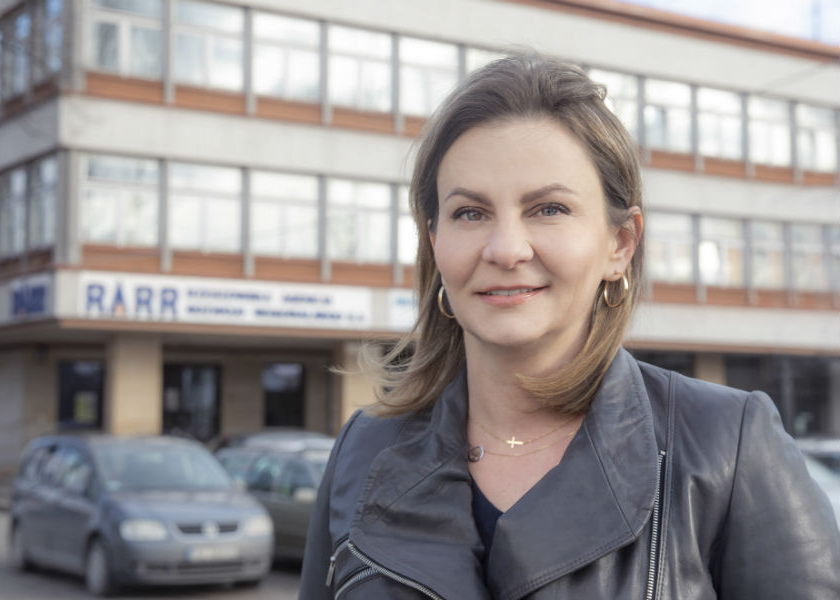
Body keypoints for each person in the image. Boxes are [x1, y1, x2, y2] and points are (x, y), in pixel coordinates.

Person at [299, 53, 840, 599]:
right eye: (470, 213)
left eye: (549, 209)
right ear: (434, 242)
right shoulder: (364, 450)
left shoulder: (727, 446)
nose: (506, 249)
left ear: (619, 245)